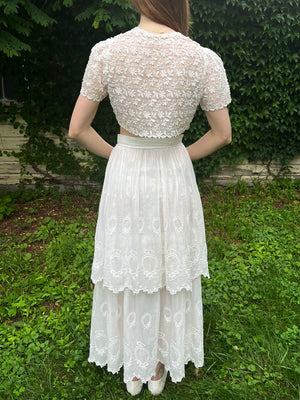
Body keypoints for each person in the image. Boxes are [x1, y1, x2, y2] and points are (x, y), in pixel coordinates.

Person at [69, 0, 231, 396]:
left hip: (126, 171)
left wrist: (120, 154)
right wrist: (178, 156)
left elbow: (77, 129)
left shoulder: (106, 52)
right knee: (167, 260)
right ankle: (158, 361)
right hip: (174, 171)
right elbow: (222, 134)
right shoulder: (203, 59)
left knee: (129, 257)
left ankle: (134, 366)